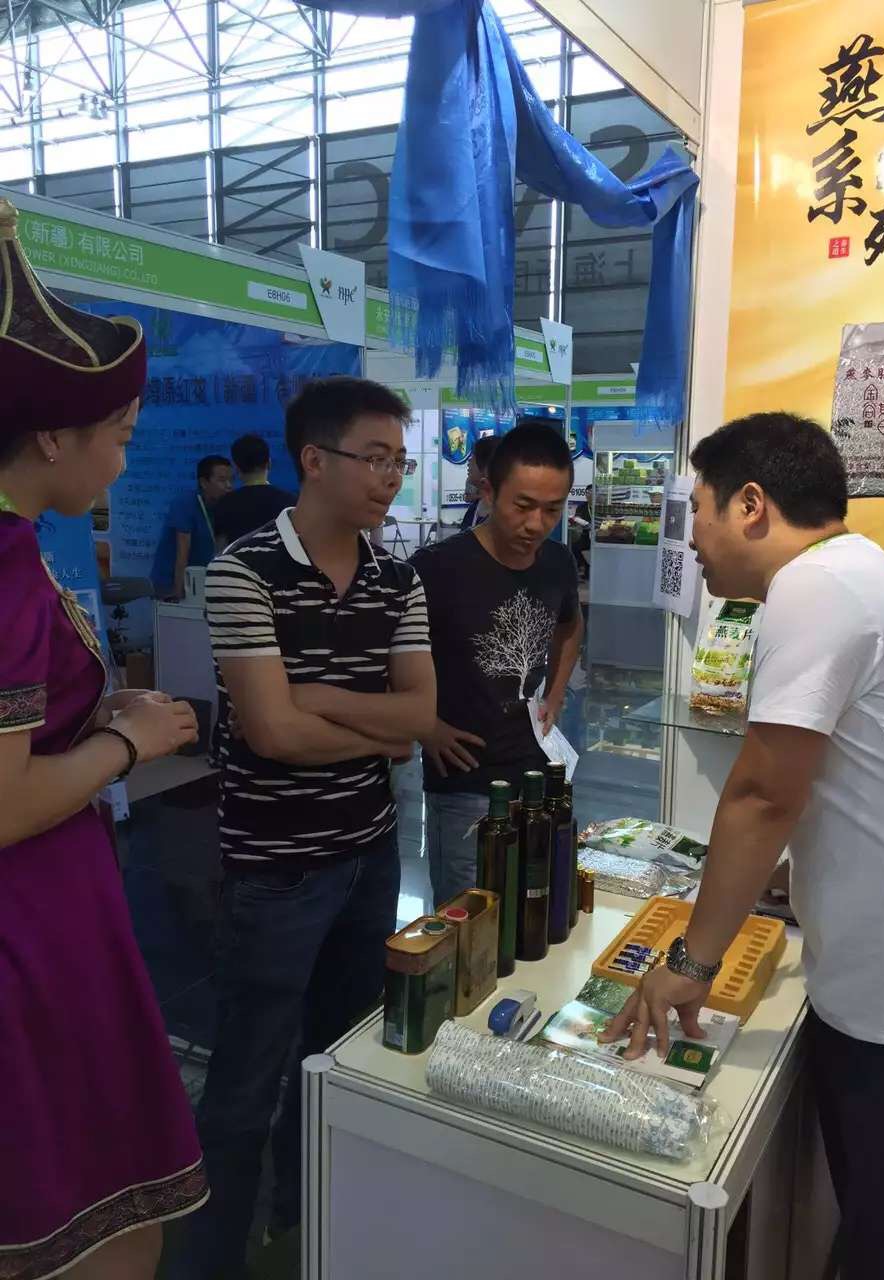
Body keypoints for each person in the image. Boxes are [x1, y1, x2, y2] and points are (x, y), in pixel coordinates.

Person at [601, 412, 884, 1280]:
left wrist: (693, 960)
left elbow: (764, 793)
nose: (693, 537)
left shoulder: (816, 588)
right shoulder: (867, 577)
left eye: (699, 508)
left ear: (751, 504)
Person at [181, 376, 435, 1278]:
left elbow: (420, 717)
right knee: (245, 1081)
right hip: (276, 869)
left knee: (340, 1063)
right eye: (376, 458)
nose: (391, 478)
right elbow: (271, 734)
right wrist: (370, 727)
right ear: (314, 460)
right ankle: (211, 1257)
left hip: (371, 856)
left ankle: (308, 1235)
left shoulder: (398, 578)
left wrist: (315, 694)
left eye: (399, 461)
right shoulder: (242, 571)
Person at [0, 197, 207, 1280]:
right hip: (31, 920)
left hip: (47, 906)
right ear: (53, 434)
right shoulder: (3, 565)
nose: (124, 464)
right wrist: (132, 743)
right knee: (98, 1217)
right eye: (120, 437)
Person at [412, 422, 583, 906]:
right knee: (466, 917)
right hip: (463, 779)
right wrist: (424, 726)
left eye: (552, 509)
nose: (536, 524)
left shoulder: (557, 563)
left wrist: (555, 696)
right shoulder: (437, 567)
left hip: (536, 774)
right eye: (522, 506)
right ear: (489, 491)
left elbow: (570, 628)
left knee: (533, 906)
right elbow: (390, 659)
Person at [151, 454, 233, 598]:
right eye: (222, 480)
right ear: (204, 482)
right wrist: (178, 589)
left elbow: (221, 550)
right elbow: (182, 551)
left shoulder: (223, 506)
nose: (229, 486)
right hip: (171, 581)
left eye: (230, 480)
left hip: (201, 580)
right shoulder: (185, 504)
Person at [213, 432, 296, 549]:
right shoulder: (289, 502)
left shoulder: (224, 504)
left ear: (236, 468)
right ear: (269, 463)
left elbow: (220, 550)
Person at [459, 433, 498, 531]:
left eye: (473, 456)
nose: (469, 462)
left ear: (487, 466)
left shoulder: (500, 516)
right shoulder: (475, 508)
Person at [570, 482, 592, 577]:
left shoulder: (600, 507)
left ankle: (588, 569)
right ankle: (581, 567)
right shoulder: (582, 506)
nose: (589, 495)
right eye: (587, 493)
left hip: (598, 534)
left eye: (591, 492)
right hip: (585, 534)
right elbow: (577, 518)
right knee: (574, 546)